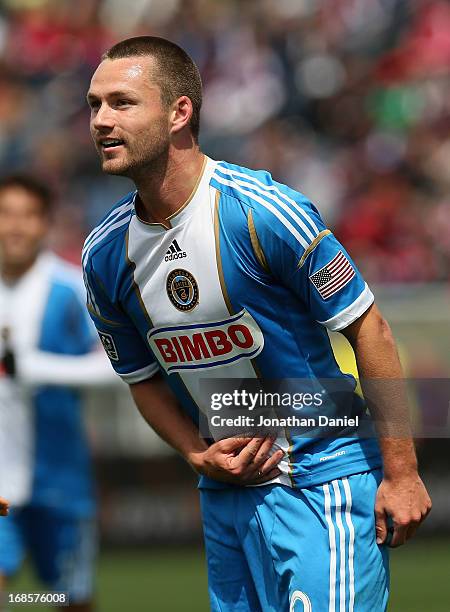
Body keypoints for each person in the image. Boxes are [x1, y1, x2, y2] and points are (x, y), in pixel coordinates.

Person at [83, 36, 431, 611]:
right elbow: (141, 379)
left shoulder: (263, 211)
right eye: (94, 105)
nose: (100, 120)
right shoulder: (103, 255)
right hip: (227, 495)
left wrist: (402, 471)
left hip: (324, 479)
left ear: (179, 112)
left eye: (122, 102)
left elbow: (369, 328)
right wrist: (196, 453)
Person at [0, 175, 116, 612]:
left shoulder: (72, 289)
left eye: (27, 216)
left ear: (45, 224)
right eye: (6, 214)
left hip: (62, 480)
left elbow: (119, 365)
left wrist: (38, 368)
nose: (15, 227)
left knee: (69, 599)